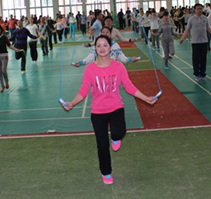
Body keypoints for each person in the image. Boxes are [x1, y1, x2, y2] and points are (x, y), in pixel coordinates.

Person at [61, 34, 157, 184]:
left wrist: (145, 98)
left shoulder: (119, 66)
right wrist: (72, 103)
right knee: (102, 146)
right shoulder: (89, 70)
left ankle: (116, 138)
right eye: (98, 45)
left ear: (110, 47)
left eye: (105, 45)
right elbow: (83, 91)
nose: (102, 48)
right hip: (98, 111)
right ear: (95, 49)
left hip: (116, 107)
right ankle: (106, 173)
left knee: (119, 132)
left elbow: (128, 86)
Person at [179, 4, 211, 81]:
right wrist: (182, 38)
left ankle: (203, 74)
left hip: (204, 41)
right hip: (195, 42)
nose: (200, 10)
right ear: (195, 10)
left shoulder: (205, 18)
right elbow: (187, 30)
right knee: (196, 59)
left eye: (201, 9)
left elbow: (209, 29)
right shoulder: (191, 19)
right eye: (198, 9)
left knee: (203, 59)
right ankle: (196, 74)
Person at [73, 27, 140, 67]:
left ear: (110, 34)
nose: (105, 34)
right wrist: (81, 62)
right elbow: (89, 58)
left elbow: (124, 59)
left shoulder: (115, 46)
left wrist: (131, 59)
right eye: (103, 32)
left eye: (107, 32)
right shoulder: (97, 45)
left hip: (112, 72)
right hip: (99, 71)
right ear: (100, 34)